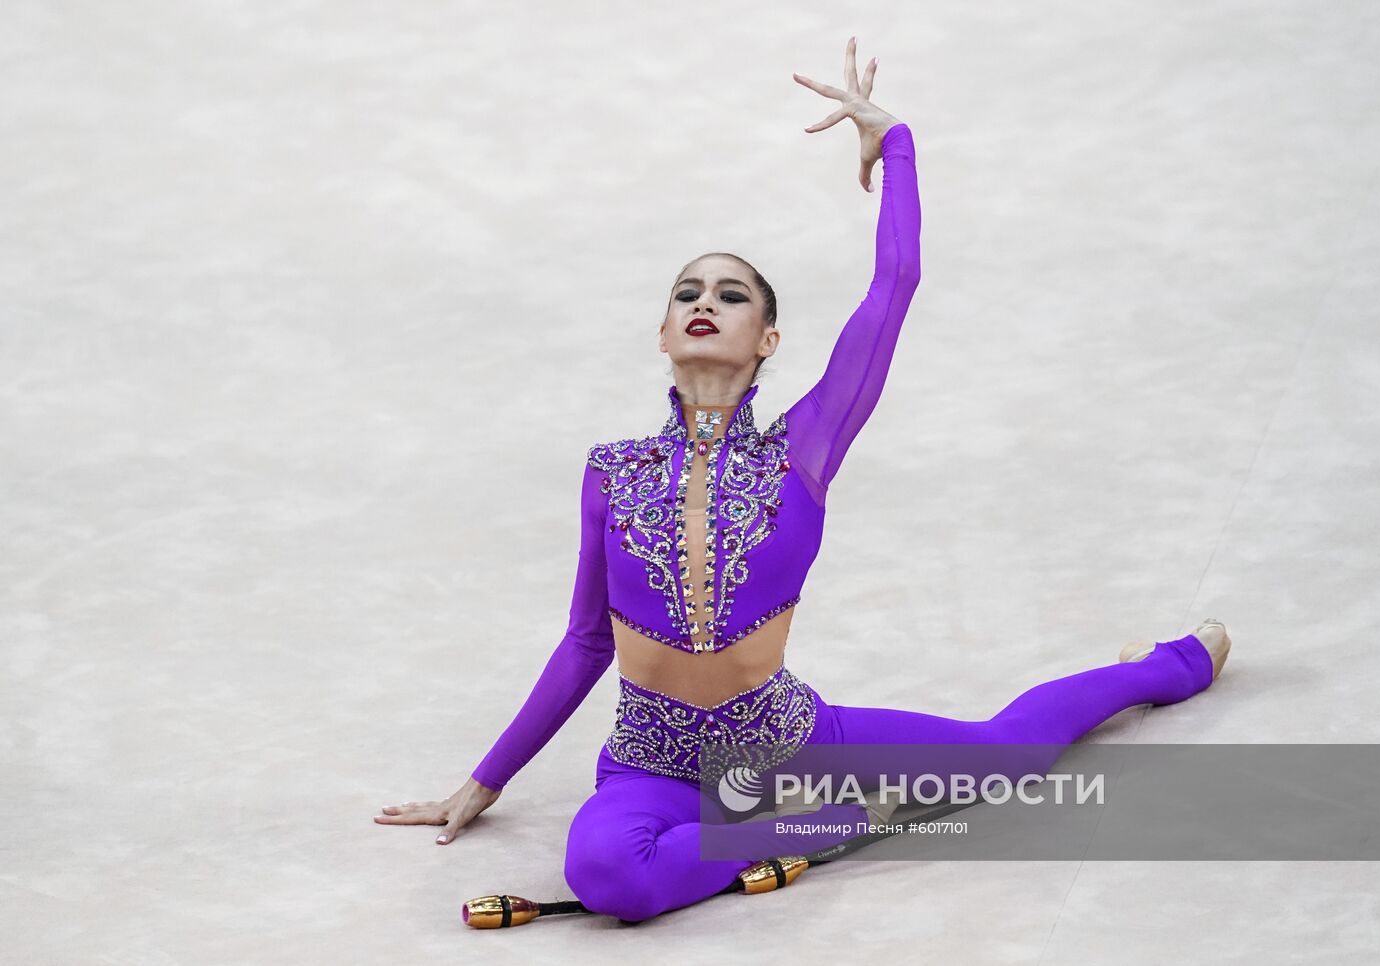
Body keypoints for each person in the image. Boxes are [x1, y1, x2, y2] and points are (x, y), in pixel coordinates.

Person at [374, 37, 1233, 923]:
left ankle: (1162, 668)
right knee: (608, 879)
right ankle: (812, 829)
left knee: (1002, 758)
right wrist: (482, 781)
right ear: (664, 332)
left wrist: (894, 143)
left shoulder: (804, 450)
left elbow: (896, 281)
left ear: (768, 342)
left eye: (733, 295)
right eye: (687, 292)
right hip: (651, 768)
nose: (706, 302)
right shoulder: (611, 472)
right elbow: (588, 642)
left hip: (790, 749)